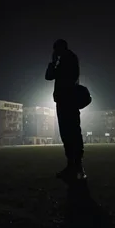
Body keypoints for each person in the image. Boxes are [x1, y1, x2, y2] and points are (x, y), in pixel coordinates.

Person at [45, 39, 86, 180]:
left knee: (72, 132)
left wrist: (54, 62)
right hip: (64, 100)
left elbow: (50, 76)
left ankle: (77, 166)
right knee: (68, 133)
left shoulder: (68, 59)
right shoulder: (65, 59)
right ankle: (73, 166)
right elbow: (48, 76)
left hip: (68, 100)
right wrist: (54, 62)